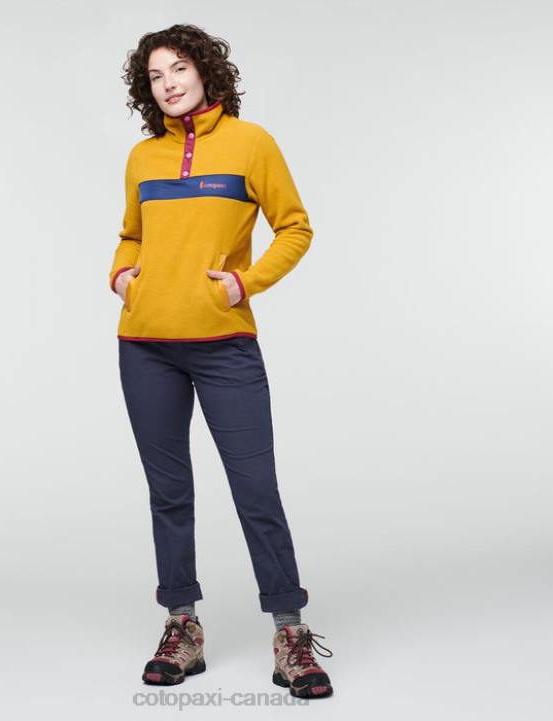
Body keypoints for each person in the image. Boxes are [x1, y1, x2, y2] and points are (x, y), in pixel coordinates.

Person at [108, 24, 333, 699]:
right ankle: (182, 625)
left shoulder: (250, 143)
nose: (168, 83)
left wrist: (244, 283)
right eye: (155, 75)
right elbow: (130, 234)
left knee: (255, 489)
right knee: (169, 492)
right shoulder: (142, 156)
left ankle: (290, 633)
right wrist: (122, 275)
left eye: (179, 68)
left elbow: (294, 226)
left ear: (206, 71)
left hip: (224, 346)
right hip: (144, 347)